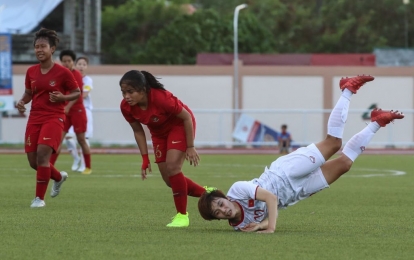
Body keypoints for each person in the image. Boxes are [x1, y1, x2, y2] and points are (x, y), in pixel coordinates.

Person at [198, 75, 404, 233]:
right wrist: (261, 225)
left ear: (223, 196)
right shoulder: (238, 225)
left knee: (333, 143)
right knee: (345, 164)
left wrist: (269, 227)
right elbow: (270, 210)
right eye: (218, 213)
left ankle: (347, 88)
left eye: (220, 204)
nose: (224, 210)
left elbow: (270, 197)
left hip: (285, 173)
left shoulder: (238, 190)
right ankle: (377, 122)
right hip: (296, 192)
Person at [119, 70, 213, 228]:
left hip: (179, 125)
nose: (126, 96)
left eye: (130, 92)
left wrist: (190, 146)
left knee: (173, 167)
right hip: (158, 133)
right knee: (170, 181)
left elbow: (186, 117)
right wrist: (144, 158)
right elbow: (138, 131)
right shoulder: (126, 107)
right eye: (123, 92)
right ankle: (207, 193)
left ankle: (182, 216)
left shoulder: (161, 98)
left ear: (143, 90)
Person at [16, 28, 81, 208]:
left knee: (43, 155)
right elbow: (29, 92)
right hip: (35, 117)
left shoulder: (63, 73)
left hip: (54, 117)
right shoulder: (31, 71)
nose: (39, 50)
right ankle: (59, 177)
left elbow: (77, 92)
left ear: (52, 49)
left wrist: (63, 98)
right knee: (33, 161)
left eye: (43, 46)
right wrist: (22, 101)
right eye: (36, 47)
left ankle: (39, 199)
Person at [49, 50, 92, 175]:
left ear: (73, 62)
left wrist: (68, 107)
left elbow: (77, 95)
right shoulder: (59, 74)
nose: (67, 63)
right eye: (64, 61)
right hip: (64, 112)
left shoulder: (76, 74)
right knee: (58, 139)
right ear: (60, 62)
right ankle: (49, 166)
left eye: (69, 61)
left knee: (81, 140)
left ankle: (88, 167)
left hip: (77, 111)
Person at [64, 56, 94, 172]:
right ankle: (76, 159)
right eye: (79, 64)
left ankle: (84, 166)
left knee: (83, 139)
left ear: (86, 67)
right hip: (69, 110)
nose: (81, 66)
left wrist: (68, 97)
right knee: (68, 137)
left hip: (84, 110)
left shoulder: (87, 80)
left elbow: (84, 94)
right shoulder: (69, 78)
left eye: (84, 64)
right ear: (75, 65)